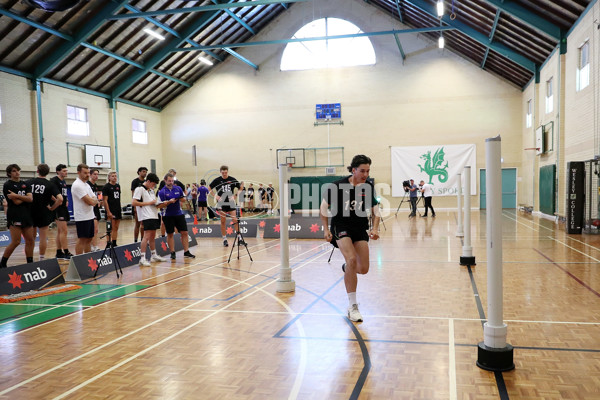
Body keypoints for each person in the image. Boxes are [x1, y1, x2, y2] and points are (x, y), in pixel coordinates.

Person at [320, 155, 380, 322]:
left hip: (359, 228)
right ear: (353, 170)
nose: (365, 174)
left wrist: (375, 228)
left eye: (368, 171)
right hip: (341, 226)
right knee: (352, 259)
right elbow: (323, 208)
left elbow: (376, 211)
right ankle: (353, 307)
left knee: (363, 268)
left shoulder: (368, 187)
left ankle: (348, 267)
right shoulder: (337, 186)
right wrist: (325, 229)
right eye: (362, 170)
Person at [27, 163, 62, 261]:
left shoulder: (29, 182)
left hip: (30, 212)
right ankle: (41, 259)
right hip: (43, 213)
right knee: (43, 237)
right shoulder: (50, 184)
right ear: (48, 172)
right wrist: (52, 208)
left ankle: (30, 260)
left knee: (31, 238)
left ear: (37, 171)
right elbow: (60, 199)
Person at [1, 164, 34, 268]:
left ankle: (30, 263)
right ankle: (2, 263)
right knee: (16, 241)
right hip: (14, 215)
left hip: (27, 215)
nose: (17, 172)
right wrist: (23, 198)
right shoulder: (8, 185)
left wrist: (17, 195)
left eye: (18, 170)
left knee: (30, 240)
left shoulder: (25, 184)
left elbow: (30, 199)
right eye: (14, 171)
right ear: (9, 173)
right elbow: (16, 202)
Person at [132, 173, 169, 266]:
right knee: (146, 236)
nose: (154, 186)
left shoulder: (151, 191)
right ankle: (142, 258)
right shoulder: (139, 189)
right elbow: (134, 203)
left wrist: (163, 203)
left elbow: (153, 203)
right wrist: (149, 202)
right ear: (148, 181)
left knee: (153, 236)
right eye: (153, 184)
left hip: (153, 215)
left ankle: (154, 255)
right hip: (146, 216)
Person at [158, 173, 196, 260]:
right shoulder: (162, 192)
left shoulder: (178, 188)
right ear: (165, 181)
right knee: (170, 233)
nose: (171, 182)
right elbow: (159, 206)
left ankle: (186, 251)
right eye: (169, 181)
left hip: (179, 214)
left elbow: (184, 199)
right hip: (167, 215)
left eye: (172, 181)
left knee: (184, 232)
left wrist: (179, 198)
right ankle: (172, 252)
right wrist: (168, 202)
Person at [209, 165, 241, 247]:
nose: (224, 174)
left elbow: (241, 188)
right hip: (221, 203)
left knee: (235, 220)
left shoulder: (232, 179)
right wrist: (215, 196)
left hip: (230, 202)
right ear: (220, 172)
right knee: (223, 221)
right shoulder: (217, 180)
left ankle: (239, 238)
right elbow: (209, 188)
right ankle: (224, 239)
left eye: (225, 172)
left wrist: (235, 196)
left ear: (227, 171)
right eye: (223, 172)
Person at [71, 164, 99, 255]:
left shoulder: (86, 185)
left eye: (88, 173)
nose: (87, 175)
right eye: (85, 173)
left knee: (89, 239)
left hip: (90, 215)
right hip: (82, 216)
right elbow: (91, 201)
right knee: (82, 239)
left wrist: (92, 200)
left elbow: (95, 199)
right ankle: (78, 259)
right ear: (78, 172)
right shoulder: (77, 185)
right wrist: (92, 201)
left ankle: (87, 258)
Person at [50, 164, 73, 260]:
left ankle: (59, 252)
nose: (66, 172)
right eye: (64, 171)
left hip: (63, 207)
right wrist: (57, 201)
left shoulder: (63, 181)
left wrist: (66, 200)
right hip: (58, 208)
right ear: (58, 171)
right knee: (64, 231)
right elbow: (50, 193)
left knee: (60, 231)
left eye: (66, 171)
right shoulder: (54, 180)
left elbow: (63, 193)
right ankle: (66, 251)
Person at [102, 171, 122, 246]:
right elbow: (105, 200)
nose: (114, 177)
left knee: (116, 227)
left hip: (117, 209)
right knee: (110, 228)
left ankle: (114, 242)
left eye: (115, 176)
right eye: (113, 176)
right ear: (109, 177)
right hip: (110, 209)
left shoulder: (118, 186)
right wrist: (108, 212)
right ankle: (108, 242)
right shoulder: (106, 187)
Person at [131, 167, 148, 242]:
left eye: (146, 172)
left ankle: (142, 239)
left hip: (144, 205)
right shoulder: (135, 181)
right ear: (139, 172)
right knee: (137, 223)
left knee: (143, 223)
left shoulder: (146, 182)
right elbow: (133, 194)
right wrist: (135, 206)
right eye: (143, 171)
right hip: (137, 205)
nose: (145, 173)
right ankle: (135, 240)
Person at [87, 168, 102, 251]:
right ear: (90, 175)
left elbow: (98, 196)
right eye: (95, 174)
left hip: (96, 209)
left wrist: (99, 201)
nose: (96, 176)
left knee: (96, 229)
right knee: (94, 229)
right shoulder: (87, 185)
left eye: (97, 174)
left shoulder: (95, 186)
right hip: (90, 209)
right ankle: (93, 246)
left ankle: (94, 246)